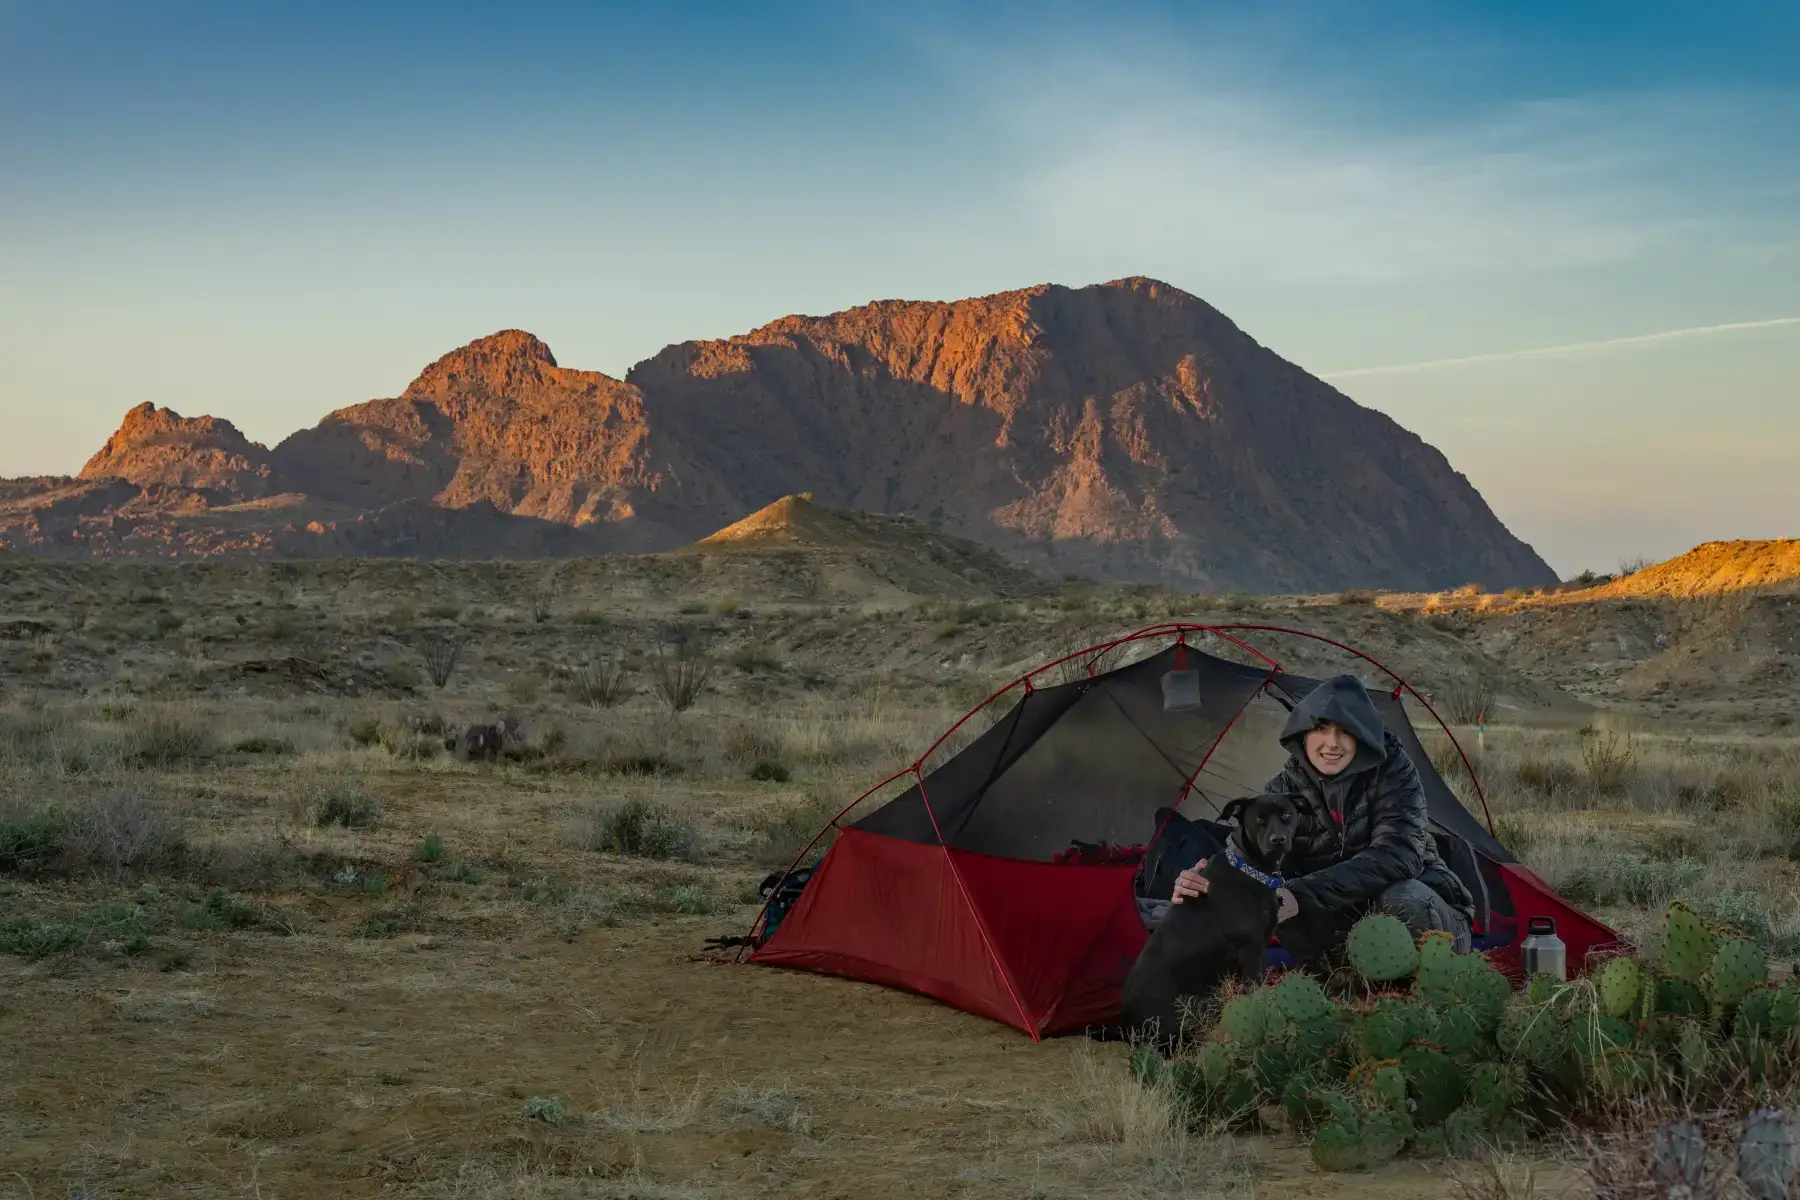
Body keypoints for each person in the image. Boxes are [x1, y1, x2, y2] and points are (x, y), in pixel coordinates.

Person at [1171, 674, 1475, 959]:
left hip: (1428, 917)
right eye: (1321, 728)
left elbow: (1399, 854)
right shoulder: (1282, 790)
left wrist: (1299, 894)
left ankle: (1426, 996)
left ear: (1363, 736)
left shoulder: (1395, 772)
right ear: (1303, 733)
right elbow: (1249, 859)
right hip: (1341, 926)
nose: (1331, 743)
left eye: (1345, 731)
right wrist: (1206, 883)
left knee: (1402, 898)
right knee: (1274, 902)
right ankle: (1338, 980)